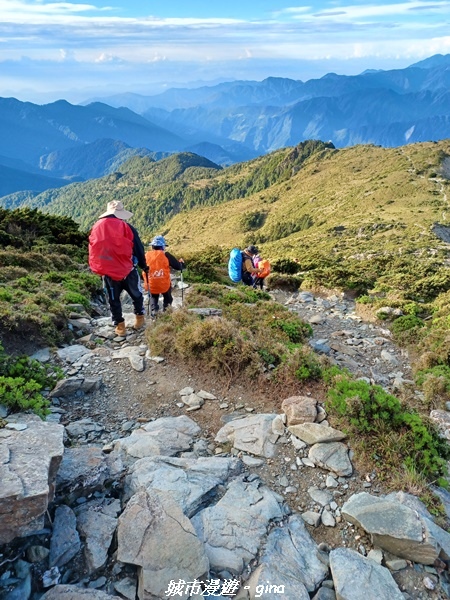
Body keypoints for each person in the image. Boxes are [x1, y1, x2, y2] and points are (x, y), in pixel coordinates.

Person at [88, 200, 148, 336]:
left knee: (113, 299)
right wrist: (143, 266)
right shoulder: (127, 227)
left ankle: (120, 326)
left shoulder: (97, 227)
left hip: (108, 272)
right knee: (136, 294)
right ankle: (139, 318)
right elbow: (138, 248)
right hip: (128, 270)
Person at [143, 235, 184, 317]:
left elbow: (143, 267)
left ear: (152, 246)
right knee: (168, 297)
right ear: (163, 246)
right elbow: (178, 267)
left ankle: (154, 313)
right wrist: (182, 263)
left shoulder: (146, 255)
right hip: (163, 283)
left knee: (154, 297)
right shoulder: (166, 255)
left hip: (151, 283)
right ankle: (166, 312)